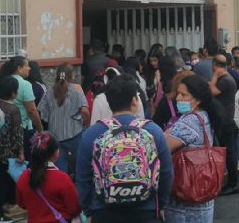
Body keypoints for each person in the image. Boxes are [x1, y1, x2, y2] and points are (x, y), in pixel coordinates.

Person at [76, 75, 173, 223]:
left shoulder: (92, 134)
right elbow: (166, 173)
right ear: (135, 101)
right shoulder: (153, 131)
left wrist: (88, 211)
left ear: (109, 102)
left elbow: (83, 178)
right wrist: (161, 205)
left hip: (104, 210)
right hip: (145, 209)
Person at [164, 75, 223, 222]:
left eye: (184, 95)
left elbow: (162, 147)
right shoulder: (204, 116)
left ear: (197, 99)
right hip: (202, 196)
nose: (178, 98)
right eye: (178, 93)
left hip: (185, 202)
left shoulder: (190, 121)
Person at [16, 132, 81, 222]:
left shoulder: (24, 177)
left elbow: (21, 204)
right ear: (55, 153)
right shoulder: (62, 178)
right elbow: (74, 209)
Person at [0, 76, 24, 223]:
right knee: (1, 184)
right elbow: (18, 134)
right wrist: (20, 152)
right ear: (14, 93)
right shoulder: (13, 109)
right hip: (6, 154)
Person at [38, 63, 89, 174]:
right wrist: (85, 122)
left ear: (58, 75)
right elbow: (85, 111)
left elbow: (43, 114)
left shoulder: (49, 92)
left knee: (60, 170)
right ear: (71, 76)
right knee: (82, 164)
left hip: (56, 137)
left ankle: (63, 188)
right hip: (75, 134)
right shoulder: (77, 89)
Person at [209, 55, 239, 196]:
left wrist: (214, 77)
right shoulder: (227, 79)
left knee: (229, 154)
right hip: (225, 120)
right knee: (228, 153)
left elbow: (211, 92)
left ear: (215, 65)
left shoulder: (225, 80)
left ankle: (233, 184)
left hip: (226, 122)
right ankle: (232, 181)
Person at [0, 56, 44, 152]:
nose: (30, 68)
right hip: (22, 129)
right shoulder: (25, 84)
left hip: (4, 127)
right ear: (19, 68)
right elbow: (32, 110)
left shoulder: (3, 81)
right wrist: (40, 129)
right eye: (27, 66)